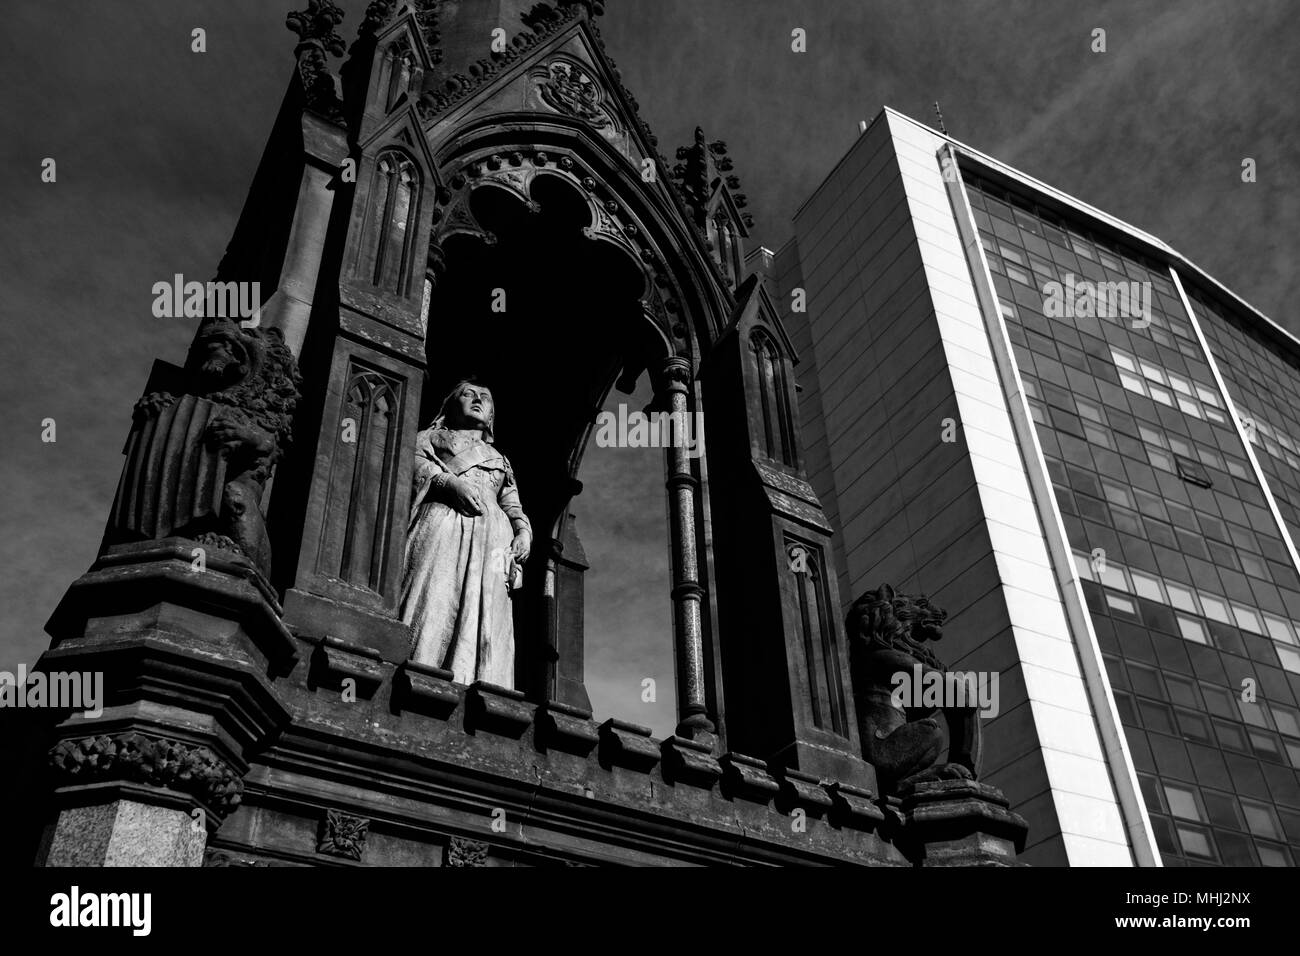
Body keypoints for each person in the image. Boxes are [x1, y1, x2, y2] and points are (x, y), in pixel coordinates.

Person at [400, 380, 531, 687]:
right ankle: (420, 672)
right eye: (468, 394)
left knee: (487, 619)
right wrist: (447, 483)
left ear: (491, 414)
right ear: (450, 405)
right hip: (443, 527)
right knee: (434, 598)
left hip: (494, 545)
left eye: (485, 397)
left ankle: (477, 683)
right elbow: (409, 463)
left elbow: (512, 504)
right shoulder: (429, 437)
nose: (477, 399)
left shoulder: (500, 459)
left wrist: (523, 532)